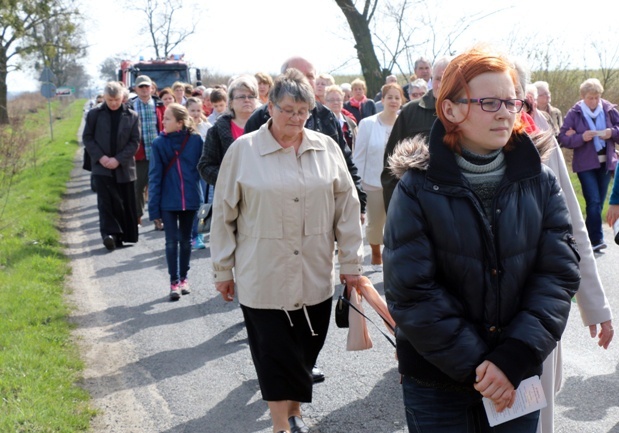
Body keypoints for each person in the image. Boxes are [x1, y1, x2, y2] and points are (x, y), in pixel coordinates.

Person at [383, 47, 581, 433]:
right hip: (437, 380)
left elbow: (557, 276)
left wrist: (511, 359)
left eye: (511, 101)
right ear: (451, 110)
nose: (505, 112)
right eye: (489, 102)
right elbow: (411, 290)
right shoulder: (416, 188)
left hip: (517, 373)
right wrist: (481, 368)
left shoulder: (540, 182)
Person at [210, 68, 364, 433]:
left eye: (303, 111)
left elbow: (346, 206)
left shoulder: (325, 148)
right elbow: (223, 214)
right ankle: (282, 425)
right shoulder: (243, 151)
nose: (296, 118)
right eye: (288, 109)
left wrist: (351, 261)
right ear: (270, 107)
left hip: (314, 273)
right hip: (262, 276)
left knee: (305, 351)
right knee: (274, 354)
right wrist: (222, 270)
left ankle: (293, 410)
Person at [512, 59, 614, 433]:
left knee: (535, 417)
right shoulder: (439, 158)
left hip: (536, 316)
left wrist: (595, 305)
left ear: (523, 100)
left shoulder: (542, 145)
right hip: (470, 335)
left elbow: (573, 229)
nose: (498, 110)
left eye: (510, 100)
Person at [148, 103, 203, 301]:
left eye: (168, 118)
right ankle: (174, 283)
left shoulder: (196, 141)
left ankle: (184, 279)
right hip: (168, 202)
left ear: (180, 123)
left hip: (190, 200)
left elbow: (203, 170)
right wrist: (154, 210)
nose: (163, 121)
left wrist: (204, 200)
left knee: (186, 242)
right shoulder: (158, 143)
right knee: (171, 242)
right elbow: (154, 177)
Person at [381, 56, 451, 210]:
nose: (443, 84)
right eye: (439, 78)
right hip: (417, 205)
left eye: (449, 78)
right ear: (432, 79)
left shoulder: (469, 112)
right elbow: (390, 164)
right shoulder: (411, 112)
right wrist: (395, 209)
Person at [558, 78, 619, 252]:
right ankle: (597, 239)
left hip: (606, 163)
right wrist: (580, 137)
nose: (594, 101)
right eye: (590, 97)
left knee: (598, 203)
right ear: (583, 96)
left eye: (596, 97)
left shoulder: (608, 109)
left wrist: (611, 133)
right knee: (593, 201)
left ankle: (583, 237)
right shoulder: (574, 113)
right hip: (585, 165)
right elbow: (563, 138)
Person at [83, 81, 140, 251]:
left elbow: (134, 142)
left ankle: (123, 236)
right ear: (105, 98)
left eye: (116, 100)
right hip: (102, 167)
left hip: (124, 167)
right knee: (105, 202)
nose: (113, 103)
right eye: (109, 100)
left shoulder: (132, 116)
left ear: (122, 97)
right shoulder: (94, 114)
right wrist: (101, 157)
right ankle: (109, 235)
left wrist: (118, 159)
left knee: (124, 202)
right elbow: (88, 138)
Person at [353, 82, 403, 271]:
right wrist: (357, 186)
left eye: (397, 98)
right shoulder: (367, 124)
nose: (393, 101)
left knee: (398, 221)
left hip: (398, 182)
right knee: (375, 223)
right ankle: (375, 253)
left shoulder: (403, 121)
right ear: (382, 100)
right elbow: (358, 156)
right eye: (389, 97)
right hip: (373, 182)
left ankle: (395, 256)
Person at [197, 75, 259, 187]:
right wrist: (230, 179)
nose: (247, 100)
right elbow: (205, 166)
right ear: (230, 103)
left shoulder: (267, 127)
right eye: (241, 97)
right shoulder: (217, 130)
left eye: (251, 96)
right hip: (229, 195)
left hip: (262, 195)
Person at [129, 75, 166, 230]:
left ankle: (158, 219)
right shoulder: (130, 106)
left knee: (158, 187)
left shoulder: (159, 104)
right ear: (135, 89)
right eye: (141, 87)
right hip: (139, 156)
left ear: (152, 88)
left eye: (147, 87)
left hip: (157, 154)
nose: (144, 90)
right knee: (137, 188)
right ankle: (138, 218)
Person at [186, 96, 211, 250]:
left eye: (197, 110)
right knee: (190, 204)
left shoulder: (207, 127)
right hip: (188, 171)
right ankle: (189, 234)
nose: (195, 113)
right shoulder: (184, 129)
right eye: (192, 110)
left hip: (203, 171)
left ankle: (199, 235)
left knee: (203, 204)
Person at [324, 84, 357, 151]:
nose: (335, 102)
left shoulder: (351, 124)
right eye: (332, 100)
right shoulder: (320, 123)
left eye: (339, 100)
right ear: (325, 102)